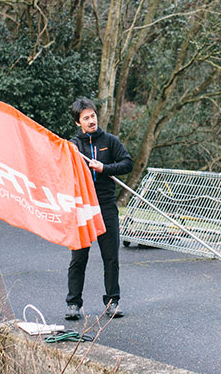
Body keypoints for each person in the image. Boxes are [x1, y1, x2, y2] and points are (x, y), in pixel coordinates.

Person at [65, 97, 133, 320]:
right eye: (86, 118)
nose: (91, 121)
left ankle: (112, 302)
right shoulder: (74, 145)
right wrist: (69, 155)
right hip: (83, 206)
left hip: (105, 205)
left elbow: (127, 163)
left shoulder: (110, 141)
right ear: (78, 123)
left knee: (111, 257)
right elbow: (63, 169)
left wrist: (105, 167)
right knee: (79, 258)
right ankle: (74, 304)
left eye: (93, 116)